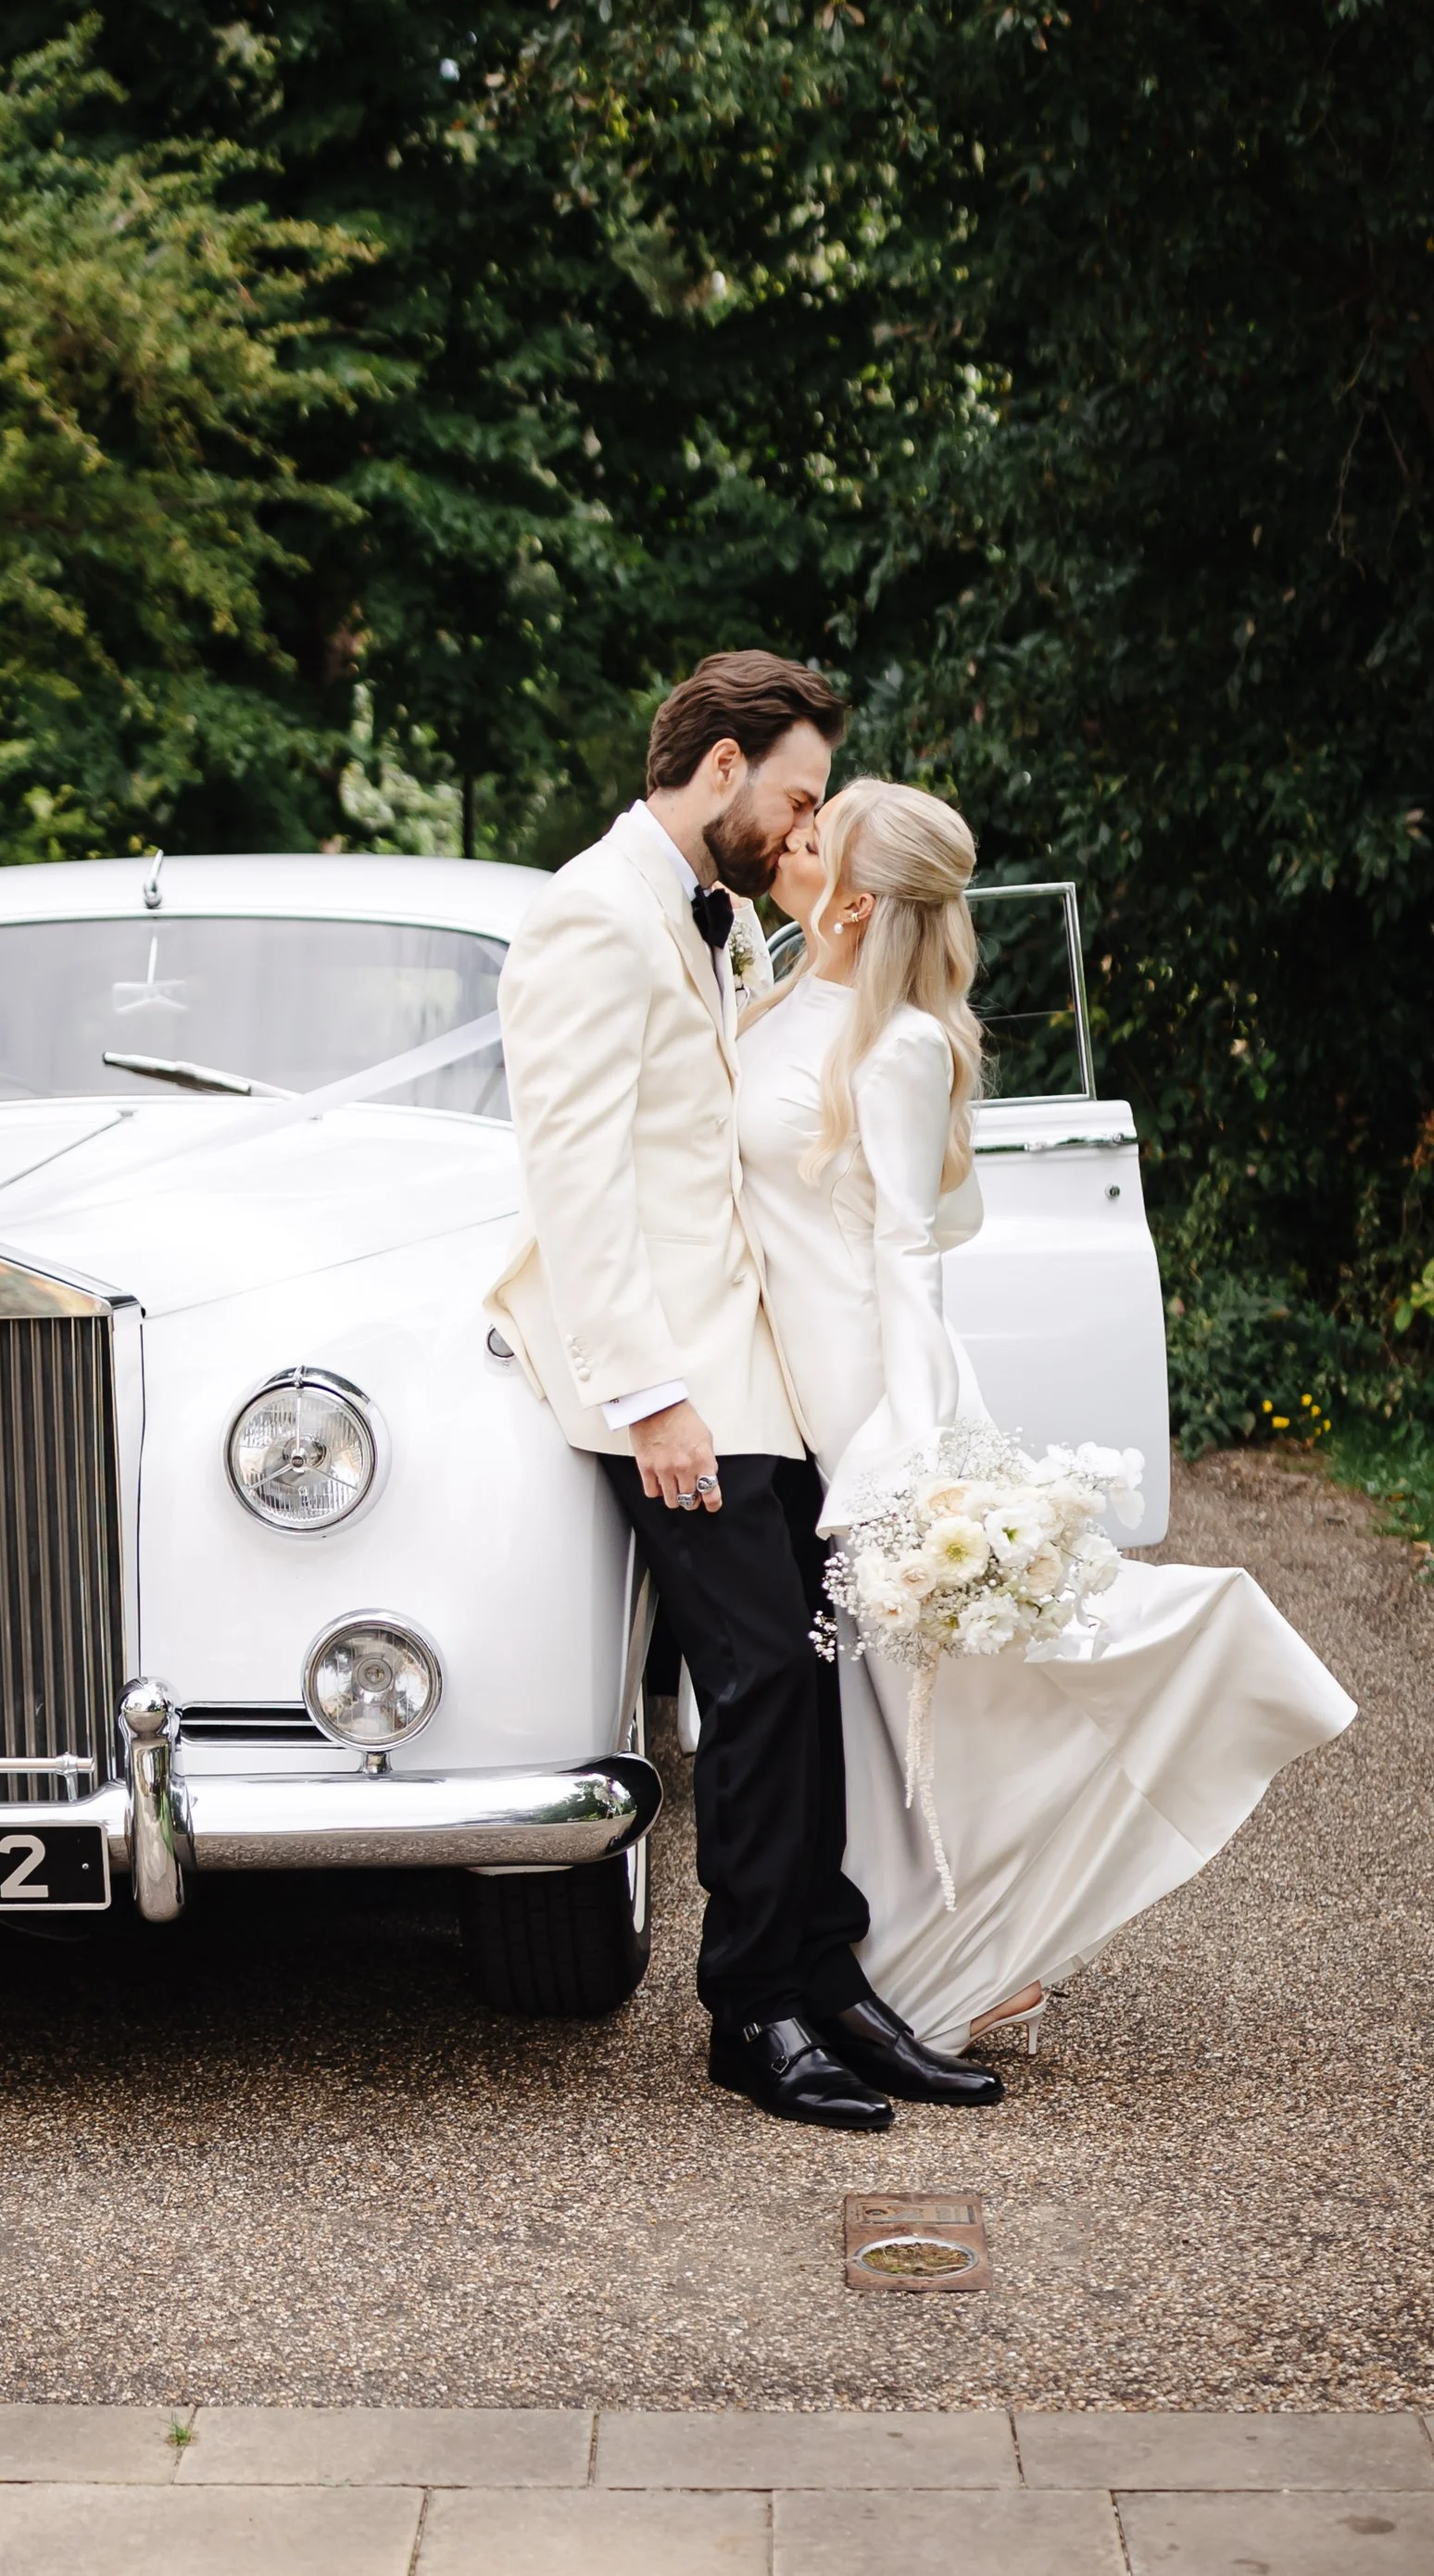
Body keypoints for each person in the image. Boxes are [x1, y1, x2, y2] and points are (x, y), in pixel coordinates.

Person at [738, 778, 1356, 2051]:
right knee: (867, 1697)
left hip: (868, 1388)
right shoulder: (769, 991)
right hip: (783, 1378)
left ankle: (961, 1955)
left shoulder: (897, 1042)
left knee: (925, 1692)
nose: (789, 835)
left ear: (857, 896)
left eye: (816, 833)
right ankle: (910, 1953)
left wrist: (913, 1445)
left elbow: (908, 1250)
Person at [487, 654, 1004, 2129]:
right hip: (668, 1385)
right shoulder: (594, 912)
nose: (802, 824)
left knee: (808, 1670)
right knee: (762, 1672)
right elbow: (575, 1178)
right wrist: (651, 1394)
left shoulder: (711, 922)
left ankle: (827, 1975)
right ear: (721, 767)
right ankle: (753, 2007)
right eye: (793, 791)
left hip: (751, 1370)